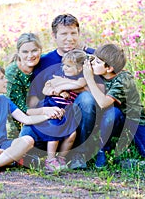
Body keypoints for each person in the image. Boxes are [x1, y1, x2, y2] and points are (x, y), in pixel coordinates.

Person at [25, 14, 97, 169]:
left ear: (79, 34)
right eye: (64, 34)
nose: (69, 38)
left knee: (86, 98)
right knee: (25, 139)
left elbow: (97, 92)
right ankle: (49, 155)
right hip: (52, 112)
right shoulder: (44, 62)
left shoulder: (87, 57)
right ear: (54, 36)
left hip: (77, 113)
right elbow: (35, 99)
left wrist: (68, 85)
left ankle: (80, 153)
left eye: (73, 33)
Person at [0, 63, 53, 176]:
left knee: (28, 140)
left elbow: (26, 119)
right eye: (2, 78)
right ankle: (13, 159)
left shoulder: (5, 101)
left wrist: (47, 116)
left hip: (3, 145)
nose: (6, 81)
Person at [83, 43, 145, 169]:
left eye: (96, 62)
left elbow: (103, 103)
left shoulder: (123, 80)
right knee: (113, 113)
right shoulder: (104, 66)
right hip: (112, 117)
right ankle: (103, 149)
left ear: (109, 68)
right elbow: (94, 53)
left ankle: (124, 142)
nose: (92, 64)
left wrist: (89, 78)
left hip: (133, 121)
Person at [31, 49, 87, 171]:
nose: (64, 68)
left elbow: (79, 85)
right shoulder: (57, 75)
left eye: (68, 66)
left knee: (72, 135)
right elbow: (45, 90)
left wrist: (61, 87)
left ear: (79, 69)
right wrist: (54, 91)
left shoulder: (81, 79)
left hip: (67, 111)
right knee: (55, 133)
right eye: (63, 65)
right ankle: (50, 159)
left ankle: (61, 158)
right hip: (53, 107)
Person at [5, 33, 64, 133]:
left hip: (40, 109)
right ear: (18, 53)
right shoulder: (13, 73)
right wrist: (45, 111)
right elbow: (20, 110)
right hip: (17, 119)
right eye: (25, 52)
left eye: (34, 51)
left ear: (40, 50)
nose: (30, 55)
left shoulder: (44, 62)